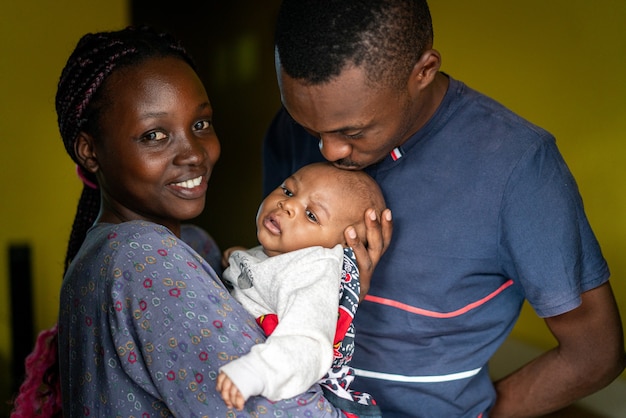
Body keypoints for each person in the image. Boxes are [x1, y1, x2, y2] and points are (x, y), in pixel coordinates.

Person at [263, 1, 626, 417]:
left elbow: (595, 354)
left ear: (424, 71)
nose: (327, 150)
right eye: (310, 128)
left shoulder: (518, 169)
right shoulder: (289, 128)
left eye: (353, 131)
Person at [9, 26, 388, 418]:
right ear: (90, 151)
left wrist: (327, 298)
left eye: (201, 124)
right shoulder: (144, 259)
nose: (192, 153)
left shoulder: (191, 246)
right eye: (155, 134)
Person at [216, 162, 386, 417]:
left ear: (339, 248)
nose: (288, 205)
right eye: (288, 191)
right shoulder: (285, 255)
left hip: (275, 378)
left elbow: (307, 344)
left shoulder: (314, 270)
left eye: (312, 215)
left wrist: (256, 371)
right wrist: (238, 258)